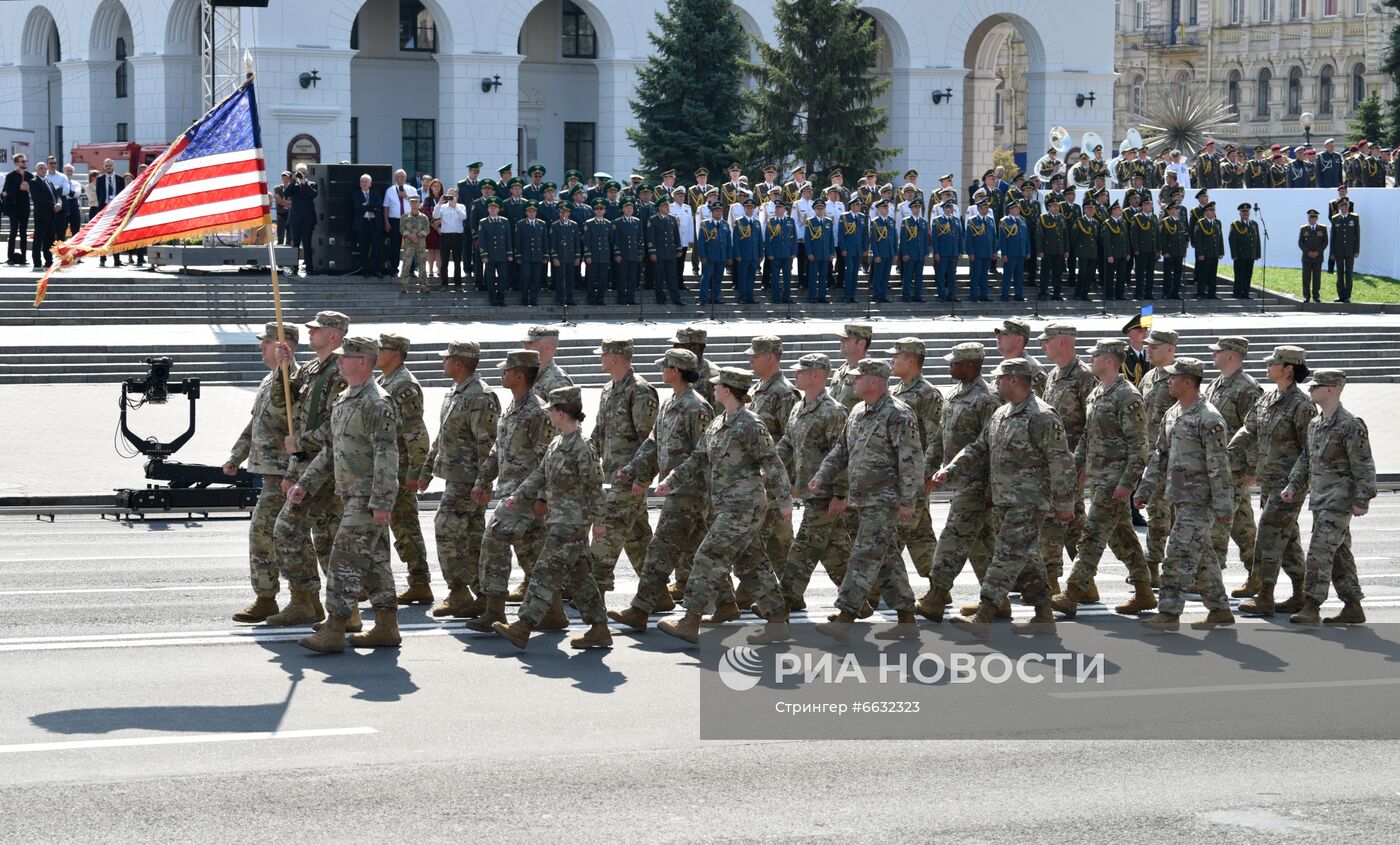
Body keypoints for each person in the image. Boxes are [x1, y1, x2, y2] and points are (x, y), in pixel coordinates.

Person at [931, 358, 1075, 630]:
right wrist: (950, 469)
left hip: (1029, 502)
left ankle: (985, 615)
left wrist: (1065, 504)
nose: (994, 383)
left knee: (1006, 556)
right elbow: (978, 447)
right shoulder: (1002, 413)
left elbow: (1061, 462)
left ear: (1014, 380)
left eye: (999, 378)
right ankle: (1044, 615)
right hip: (1004, 500)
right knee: (1027, 558)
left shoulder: (1042, 415)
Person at [654, 367, 793, 645]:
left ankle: (689, 621)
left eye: (718, 386)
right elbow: (698, 457)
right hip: (727, 507)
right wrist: (672, 478)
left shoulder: (750, 424)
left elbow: (772, 462)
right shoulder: (719, 423)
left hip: (744, 507)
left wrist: (785, 499)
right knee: (751, 564)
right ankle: (778, 622)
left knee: (707, 556)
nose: (713, 388)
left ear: (727, 390)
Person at [289, 336, 401, 654]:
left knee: (343, 560)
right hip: (350, 495)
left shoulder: (377, 402)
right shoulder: (345, 398)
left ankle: (334, 629)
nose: (338, 362)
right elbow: (331, 450)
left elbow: (386, 454)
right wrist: (306, 483)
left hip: (367, 497)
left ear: (363, 362)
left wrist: (381, 501)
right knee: (375, 562)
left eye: (345, 357)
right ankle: (387, 627)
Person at [491, 386, 612, 651]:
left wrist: (599, 521)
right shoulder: (557, 443)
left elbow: (595, 486)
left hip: (573, 523)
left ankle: (522, 627)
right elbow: (539, 475)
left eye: (552, 412)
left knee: (544, 572)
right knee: (580, 577)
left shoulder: (582, 447)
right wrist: (518, 496)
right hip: (559, 520)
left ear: (561, 412)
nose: (549, 416)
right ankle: (600, 629)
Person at [811, 359, 923, 642]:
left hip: (885, 499)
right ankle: (907, 618)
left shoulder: (898, 414)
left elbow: (910, 461)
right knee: (885, 558)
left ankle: (846, 617)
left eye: (858, 377)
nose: (852, 381)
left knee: (863, 555)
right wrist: (822, 475)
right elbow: (841, 449)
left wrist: (909, 500)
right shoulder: (858, 411)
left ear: (874, 381)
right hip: (863, 498)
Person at [607, 349, 714, 631]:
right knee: (699, 550)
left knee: (659, 551)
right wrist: (633, 469)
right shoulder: (669, 403)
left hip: (688, 492)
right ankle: (726, 603)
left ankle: (640, 610)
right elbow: (653, 444)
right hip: (676, 489)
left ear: (676, 370)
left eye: (665, 366)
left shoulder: (696, 407)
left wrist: (674, 479)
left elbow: (703, 453)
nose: (661, 370)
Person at [1132, 358, 1236, 631]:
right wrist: (1144, 488)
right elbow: (1160, 455)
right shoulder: (1173, 413)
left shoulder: (1209, 418)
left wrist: (1224, 508)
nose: (1168, 381)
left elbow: (1219, 466)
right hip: (1179, 495)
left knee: (1177, 552)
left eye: (1173, 377)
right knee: (1202, 556)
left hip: (1200, 499)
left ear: (1188, 381)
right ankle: (1220, 609)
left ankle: (1168, 611)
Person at [1051, 339, 1152, 617]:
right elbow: (1087, 435)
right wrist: (1076, 466)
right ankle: (1144, 591)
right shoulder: (1098, 392)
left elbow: (1139, 445)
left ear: (1108, 361)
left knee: (1092, 535)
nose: (1090, 359)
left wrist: (1128, 483)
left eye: (1095, 356)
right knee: (1122, 537)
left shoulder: (1127, 395)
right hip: (1099, 477)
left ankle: (1072, 593)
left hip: (1115, 479)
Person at [263, 312, 350, 627]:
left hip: (327, 465)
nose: (311, 332)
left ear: (334, 335)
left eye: (318, 329)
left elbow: (334, 428)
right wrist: (285, 365)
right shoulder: (313, 369)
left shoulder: (341, 372)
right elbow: (282, 399)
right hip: (307, 463)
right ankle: (330, 608)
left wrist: (300, 442)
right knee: (327, 539)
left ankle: (305, 599)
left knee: (288, 529)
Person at [467, 349, 555, 633]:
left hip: (525, 497)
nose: (501, 374)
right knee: (534, 555)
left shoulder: (538, 412)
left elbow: (548, 459)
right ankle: (553, 612)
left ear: (519, 375)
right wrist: (483, 480)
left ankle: (495, 611)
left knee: (493, 541)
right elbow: (498, 449)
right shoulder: (513, 406)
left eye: (506, 370)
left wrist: (542, 497)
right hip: (511, 492)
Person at [1282, 369, 1376, 624]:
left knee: (1319, 552)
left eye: (1315, 387)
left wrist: (1362, 499)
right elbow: (1306, 458)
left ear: (1331, 389)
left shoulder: (1350, 424)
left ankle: (1312, 605)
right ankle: (1353, 606)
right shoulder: (1316, 423)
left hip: (1340, 501)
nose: (1310, 390)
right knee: (1339, 554)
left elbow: (1364, 464)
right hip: (1321, 500)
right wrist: (1293, 484)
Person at [224, 322, 303, 623]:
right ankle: (290, 598)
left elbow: (298, 421)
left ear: (285, 346)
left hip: (285, 473)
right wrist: (236, 455)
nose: (261, 347)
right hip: (269, 471)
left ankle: (271, 598)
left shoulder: (291, 379)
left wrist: (289, 364)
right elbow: (254, 425)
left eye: (267, 342)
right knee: (284, 536)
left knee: (266, 534)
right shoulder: (269, 380)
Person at [916, 343, 1001, 621]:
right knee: (981, 545)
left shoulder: (987, 399)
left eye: (955, 363)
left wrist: (991, 488)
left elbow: (991, 445)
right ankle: (997, 599)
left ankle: (936, 596)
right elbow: (940, 437)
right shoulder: (954, 395)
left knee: (952, 539)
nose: (949, 366)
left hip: (977, 481)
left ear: (971, 366)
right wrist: (929, 470)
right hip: (959, 479)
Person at [1230, 345, 1315, 616]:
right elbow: (1249, 428)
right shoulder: (1267, 399)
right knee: (1286, 538)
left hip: (1289, 485)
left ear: (1289, 368)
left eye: (1273, 363)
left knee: (1267, 534)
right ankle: (1300, 593)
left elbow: (1310, 450)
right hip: (1270, 482)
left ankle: (1265, 595)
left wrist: (1296, 484)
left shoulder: (1302, 406)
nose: (1268, 366)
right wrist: (1227, 453)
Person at [419, 340, 501, 619]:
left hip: (469, 481)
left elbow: (489, 444)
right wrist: (427, 470)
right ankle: (481, 594)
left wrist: (484, 482)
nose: (443, 362)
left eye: (447, 359)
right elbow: (442, 437)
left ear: (459, 362)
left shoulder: (480, 396)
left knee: (447, 529)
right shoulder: (455, 393)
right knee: (470, 537)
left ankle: (461, 592)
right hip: (455, 478)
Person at [772, 353, 852, 612]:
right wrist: (769, 465)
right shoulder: (799, 407)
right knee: (834, 552)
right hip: (809, 490)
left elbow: (842, 454)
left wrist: (840, 494)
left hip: (826, 493)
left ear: (817, 374)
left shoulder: (833, 412)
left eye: (801, 371)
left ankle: (786, 598)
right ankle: (858, 600)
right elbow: (787, 443)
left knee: (803, 548)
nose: (795, 374)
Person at [587, 338, 659, 596]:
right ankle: (657, 594)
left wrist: (642, 478)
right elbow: (599, 432)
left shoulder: (639, 391)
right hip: (611, 476)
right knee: (638, 539)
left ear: (614, 358)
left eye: (603, 355)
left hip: (628, 481)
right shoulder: (608, 389)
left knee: (606, 538)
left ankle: (594, 594)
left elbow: (649, 440)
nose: (600, 359)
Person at [1037, 323, 1099, 595]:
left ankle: (1051, 582)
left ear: (1062, 342)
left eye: (1047, 341)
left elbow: (1094, 424)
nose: (1043, 346)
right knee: (1072, 524)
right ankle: (1084, 584)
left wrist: (1085, 464)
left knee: (1053, 522)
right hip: (1054, 464)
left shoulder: (1084, 376)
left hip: (1072, 463)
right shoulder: (1053, 375)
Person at [1203, 336, 1264, 598]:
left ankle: (1209, 578)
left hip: (1235, 469)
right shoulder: (1217, 384)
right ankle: (1258, 576)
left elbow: (1255, 431)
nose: (1213, 355)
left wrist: (1252, 469)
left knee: (1220, 520)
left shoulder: (1248, 388)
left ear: (1231, 356)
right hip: (1218, 465)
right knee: (1243, 527)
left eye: (1217, 352)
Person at [375, 333, 432, 607]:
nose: (376, 352)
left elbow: (416, 431)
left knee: (405, 524)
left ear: (395, 353)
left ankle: (420, 582)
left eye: (381, 349)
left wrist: (415, 472)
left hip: (399, 468)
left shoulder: (404, 385)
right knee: (393, 525)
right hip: (386, 467)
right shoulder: (384, 381)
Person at [887, 338, 942, 583]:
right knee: (919, 535)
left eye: (896, 356)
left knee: (894, 533)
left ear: (910, 360)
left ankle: (874, 589)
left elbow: (935, 439)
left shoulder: (928, 394)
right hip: (897, 475)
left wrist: (925, 475)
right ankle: (939, 587)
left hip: (913, 477)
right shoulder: (895, 392)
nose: (892, 360)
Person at [523, 326, 574, 404]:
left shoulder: (558, 382)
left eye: (530, 343)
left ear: (546, 347)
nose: (525, 347)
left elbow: (562, 415)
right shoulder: (532, 374)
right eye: (525, 343)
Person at [478, 197, 513, 306]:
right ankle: (492, 298)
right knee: (490, 277)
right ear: (488, 209)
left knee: (503, 277)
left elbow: (508, 238)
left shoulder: (504, 221)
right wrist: (484, 254)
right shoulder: (483, 222)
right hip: (490, 255)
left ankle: (501, 298)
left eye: (495, 207)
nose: (492, 209)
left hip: (502, 255)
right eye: (490, 207)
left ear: (499, 209)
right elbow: (482, 240)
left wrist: (509, 253)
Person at [283, 167, 318, 276]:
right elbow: (286, 194)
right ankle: (294, 268)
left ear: (306, 174)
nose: (301, 174)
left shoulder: (312, 184)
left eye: (303, 172)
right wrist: (293, 181)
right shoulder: (293, 185)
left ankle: (309, 268)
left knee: (307, 244)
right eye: (299, 172)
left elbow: (313, 194)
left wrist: (304, 182)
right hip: (296, 220)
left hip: (307, 220)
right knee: (295, 245)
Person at [696, 201, 732, 305]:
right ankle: (703, 299)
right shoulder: (705, 224)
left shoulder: (725, 225)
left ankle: (715, 298)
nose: (719, 213)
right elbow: (701, 242)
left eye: (720, 211)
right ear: (712, 212)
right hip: (709, 257)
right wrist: (702, 256)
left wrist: (729, 256)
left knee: (718, 279)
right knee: (706, 278)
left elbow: (729, 243)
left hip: (721, 257)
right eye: (716, 211)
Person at [27, 161, 60, 270]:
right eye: (41, 168)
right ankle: (37, 263)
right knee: (38, 240)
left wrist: (59, 203)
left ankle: (49, 261)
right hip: (41, 215)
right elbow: (39, 198)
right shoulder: (33, 182)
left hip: (51, 215)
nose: (44, 170)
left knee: (49, 240)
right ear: (36, 170)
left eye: (45, 168)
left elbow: (56, 195)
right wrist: (53, 206)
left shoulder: (48, 181)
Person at [764, 199, 798, 303]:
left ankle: (786, 297)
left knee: (787, 277)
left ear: (784, 209)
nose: (778, 209)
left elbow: (794, 238)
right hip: (775, 254)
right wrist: (769, 253)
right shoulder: (771, 221)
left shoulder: (790, 221)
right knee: (775, 277)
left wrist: (794, 252)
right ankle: (776, 297)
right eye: (776, 207)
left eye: (780, 207)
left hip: (787, 254)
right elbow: (768, 238)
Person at [964, 196, 997, 302]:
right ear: (979, 209)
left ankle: (984, 295)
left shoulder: (990, 220)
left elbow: (993, 237)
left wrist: (994, 250)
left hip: (987, 252)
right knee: (975, 275)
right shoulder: (972, 221)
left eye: (987, 207)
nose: (986, 209)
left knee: (984, 276)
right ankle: (973, 295)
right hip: (977, 253)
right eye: (984, 207)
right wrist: (970, 252)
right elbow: (969, 239)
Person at [732, 197, 764, 304]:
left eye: (751, 208)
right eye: (747, 207)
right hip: (743, 255)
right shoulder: (739, 222)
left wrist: (761, 253)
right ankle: (742, 297)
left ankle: (750, 297)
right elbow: (735, 240)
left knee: (752, 278)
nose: (749, 210)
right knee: (742, 278)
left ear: (754, 209)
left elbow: (759, 239)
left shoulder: (757, 223)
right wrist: (737, 254)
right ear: (744, 209)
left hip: (754, 255)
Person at [434, 188, 468, 288]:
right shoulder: (443, 207)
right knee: (444, 261)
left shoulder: (461, 206)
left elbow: (463, 217)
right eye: (449, 195)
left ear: (457, 196)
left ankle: (458, 284)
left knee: (457, 261)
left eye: (453, 195)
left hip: (457, 236)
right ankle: (444, 283)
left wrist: (455, 206)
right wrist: (439, 203)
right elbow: (435, 216)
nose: (451, 197)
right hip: (445, 236)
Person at [3, 153, 33, 266]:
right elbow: (5, 192)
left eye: (25, 161)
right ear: (16, 163)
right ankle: (10, 256)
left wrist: (28, 189)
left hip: (25, 207)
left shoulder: (30, 176)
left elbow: (34, 193)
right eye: (22, 161)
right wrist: (19, 188)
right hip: (14, 208)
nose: (25, 163)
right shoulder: (10, 176)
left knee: (23, 232)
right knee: (13, 232)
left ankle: (24, 257)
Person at [837, 197, 868, 303]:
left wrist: (865, 248)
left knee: (855, 273)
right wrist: (843, 248)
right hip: (848, 250)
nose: (859, 207)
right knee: (849, 271)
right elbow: (840, 235)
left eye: (859, 205)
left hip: (858, 249)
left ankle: (852, 295)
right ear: (852, 206)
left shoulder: (862, 217)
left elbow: (864, 234)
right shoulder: (844, 217)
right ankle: (846, 295)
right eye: (857, 205)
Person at [397, 195, 431, 293]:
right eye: (412, 202)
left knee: (422, 265)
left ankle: (423, 285)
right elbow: (402, 229)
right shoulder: (404, 217)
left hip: (421, 244)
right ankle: (404, 286)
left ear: (419, 204)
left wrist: (418, 235)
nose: (414, 204)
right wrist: (410, 236)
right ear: (409, 203)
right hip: (408, 244)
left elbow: (427, 229)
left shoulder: (424, 217)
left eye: (416, 202)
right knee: (406, 264)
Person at [996, 200, 1029, 301]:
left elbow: (1026, 237)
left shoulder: (1022, 220)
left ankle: (1019, 294)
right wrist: (1004, 254)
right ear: (1010, 210)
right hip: (1010, 253)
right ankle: (1005, 294)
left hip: (1021, 252)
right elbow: (1002, 239)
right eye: (1016, 208)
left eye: (1018, 208)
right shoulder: (1005, 221)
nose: (1018, 210)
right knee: (1008, 275)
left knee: (1019, 276)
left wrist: (1027, 251)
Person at [1227, 202, 1260, 300]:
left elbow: (1257, 240)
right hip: (1240, 254)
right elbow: (1232, 240)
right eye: (1243, 213)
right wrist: (1234, 254)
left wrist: (1257, 253)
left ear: (1249, 213)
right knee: (1239, 274)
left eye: (1247, 213)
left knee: (1248, 275)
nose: (1245, 214)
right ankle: (1237, 292)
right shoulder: (1236, 224)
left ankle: (1246, 292)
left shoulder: (1254, 224)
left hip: (1251, 254)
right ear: (1240, 214)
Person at [1329, 198, 1360, 303]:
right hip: (1338, 251)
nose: (1344, 207)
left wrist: (1357, 250)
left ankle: (1347, 296)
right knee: (1340, 273)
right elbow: (1332, 237)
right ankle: (1341, 295)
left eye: (1346, 205)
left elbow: (1357, 235)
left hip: (1350, 251)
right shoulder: (1335, 218)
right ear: (1339, 207)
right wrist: (1332, 253)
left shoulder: (1354, 218)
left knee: (1349, 273)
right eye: (1342, 206)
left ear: (1348, 206)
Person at [1191, 201, 1223, 299]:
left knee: (1213, 274)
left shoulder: (1217, 222)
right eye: (1211, 210)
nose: (1213, 212)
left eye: (1214, 210)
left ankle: (1212, 292)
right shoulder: (1201, 223)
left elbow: (1220, 238)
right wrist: (1200, 253)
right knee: (1203, 274)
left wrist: (1221, 251)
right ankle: (1201, 292)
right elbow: (1198, 239)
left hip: (1214, 252)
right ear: (1205, 212)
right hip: (1205, 253)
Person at [806, 198, 836, 303]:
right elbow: (807, 240)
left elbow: (831, 238)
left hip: (825, 254)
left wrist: (832, 252)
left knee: (824, 277)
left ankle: (822, 296)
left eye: (822, 208)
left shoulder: (828, 221)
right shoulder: (810, 222)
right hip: (814, 254)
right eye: (818, 208)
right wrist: (809, 253)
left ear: (824, 209)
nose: (820, 210)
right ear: (814, 209)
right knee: (813, 277)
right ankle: (812, 297)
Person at [1129, 195, 1158, 299]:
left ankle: (1149, 293)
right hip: (1141, 250)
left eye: (1151, 204)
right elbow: (1134, 234)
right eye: (1148, 204)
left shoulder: (1153, 217)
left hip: (1151, 249)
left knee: (1150, 273)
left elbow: (1156, 234)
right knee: (1140, 273)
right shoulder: (1137, 217)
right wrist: (1136, 249)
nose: (1150, 206)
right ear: (1143, 206)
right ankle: (1139, 293)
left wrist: (1157, 249)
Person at [352, 174, 382, 277]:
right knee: (363, 248)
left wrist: (367, 205)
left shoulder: (376, 193)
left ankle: (376, 270)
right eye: (362, 182)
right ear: (360, 184)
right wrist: (372, 206)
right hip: (362, 224)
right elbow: (358, 208)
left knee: (376, 247)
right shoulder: (356, 194)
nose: (364, 183)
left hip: (374, 223)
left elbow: (379, 206)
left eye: (366, 182)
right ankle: (365, 271)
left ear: (370, 183)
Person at [1158, 203, 1189, 300]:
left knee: (1178, 274)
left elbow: (1183, 238)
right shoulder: (1166, 222)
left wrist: (1184, 251)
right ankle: (1166, 293)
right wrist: (1164, 251)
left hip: (1179, 252)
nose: (1177, 210)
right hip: (1169, 252)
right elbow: (1162, 238)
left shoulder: (1180, 222)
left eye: (1178, 209)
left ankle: (1175, 293)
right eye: (1175, 209)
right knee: (1168, 274)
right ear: (1170, 210)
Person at [1298, 208, 1328, 303]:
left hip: (1318, 257)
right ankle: (1306, 296)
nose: (1311, 219)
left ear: (1317, 218)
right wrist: (1308, 252)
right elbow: (1300, 243)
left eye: (1313, 217)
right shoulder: (1303, 229)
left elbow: (1325, 242)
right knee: (1306, 277)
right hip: (1307, 257)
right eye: (1310, 217)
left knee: (1316, 278)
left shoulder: (1322, 228)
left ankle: (1316, 296)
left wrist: (1317, 252)